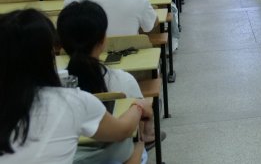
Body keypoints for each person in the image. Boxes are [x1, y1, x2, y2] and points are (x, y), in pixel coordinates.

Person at [0, 9, 149, 164]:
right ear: (50, 54)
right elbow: (123, 130)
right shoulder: (71, 101)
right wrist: (137, 106)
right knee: (131, 148)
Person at [56, 0, 157, 156]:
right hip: (116, 156)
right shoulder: (124, 81)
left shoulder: (52, 88)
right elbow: (140, 130)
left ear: (61, 45)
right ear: (103, 40)